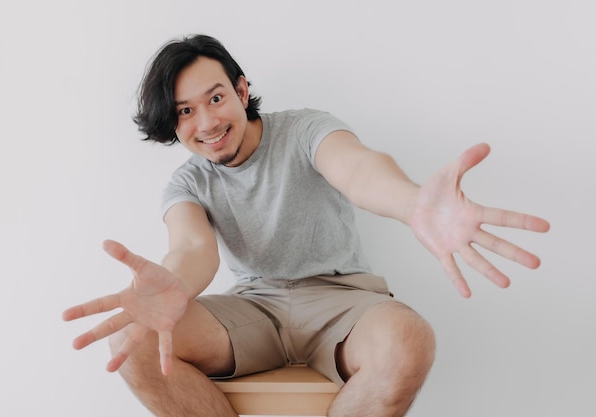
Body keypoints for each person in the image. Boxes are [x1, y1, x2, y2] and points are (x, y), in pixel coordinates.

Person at [62, 34, 550, 417]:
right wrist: (175, 282)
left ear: (241, 89)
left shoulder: (305, 129)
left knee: (409, 340)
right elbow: (192, 247)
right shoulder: (188, 181)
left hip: (344, 303)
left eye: (214, 98)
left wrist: (412, 203)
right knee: (133, 338)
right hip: (253, 310)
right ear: (173, 125)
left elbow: (358, 170)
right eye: (185, 112)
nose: (206, 122)